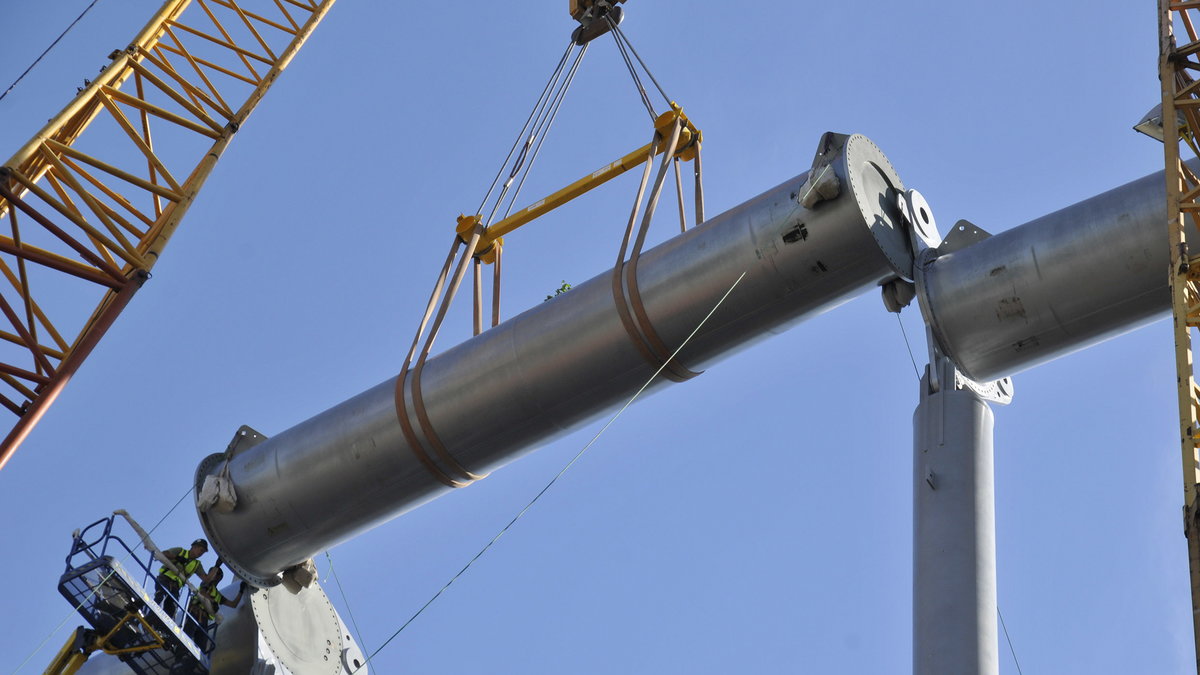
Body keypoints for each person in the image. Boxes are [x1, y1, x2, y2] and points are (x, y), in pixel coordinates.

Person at [183, 565, 246, 652]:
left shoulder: (217, 594)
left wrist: (241, 591)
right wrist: (213, 602)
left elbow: (233, 604)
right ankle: (181, 655)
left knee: (201, 646)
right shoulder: (205, 583)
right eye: (215, 574)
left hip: (204, 620)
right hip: (195, 614)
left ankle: (193, 662)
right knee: (186, 636)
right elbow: (202, 593)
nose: (216, 577)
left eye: (218, 575)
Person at [154, 538, 211, 621]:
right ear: (194, 547)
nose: (201, 553)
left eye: (203, 552)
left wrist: (216, 567)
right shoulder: (180, 551)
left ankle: (162, 629)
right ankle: (146, 616)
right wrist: (177, 557)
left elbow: (206, 579)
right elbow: (164, 553)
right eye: (201, 550)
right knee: (160, 598)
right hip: (165, 579)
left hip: (175, 587)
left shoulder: (197, 564)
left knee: (172, 608)